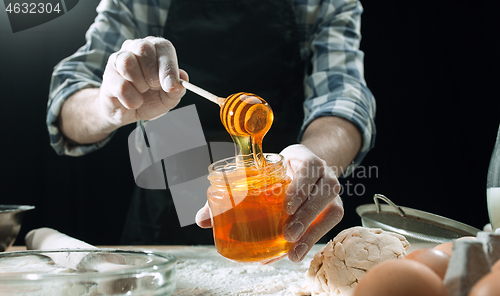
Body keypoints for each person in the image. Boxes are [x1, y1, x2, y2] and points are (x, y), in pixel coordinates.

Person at [46, 0, 376, 263]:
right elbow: (66, 103)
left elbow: (343, 97)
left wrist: (314, 160)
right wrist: (108, 107)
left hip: (280, 208)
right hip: (163, 229)